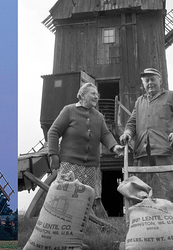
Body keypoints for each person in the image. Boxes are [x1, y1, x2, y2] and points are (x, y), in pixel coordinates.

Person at [120, 67, 173, 225]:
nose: (150, 83)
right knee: (141, 194)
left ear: (160, 80)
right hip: (142, 154)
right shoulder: (140, 101)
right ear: (143, 84)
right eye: (146, 80)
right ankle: (145, 228)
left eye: (153, 79)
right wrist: (127, 133)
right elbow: (132, 123)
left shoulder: (172, 97)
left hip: (166, 152)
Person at [48, 82, 124, 218]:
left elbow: (105, 134)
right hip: (70, 165)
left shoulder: (99, 116)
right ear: (82, 95)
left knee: (87, 200)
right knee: (65, 197)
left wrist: (114, 146)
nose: (96, 97)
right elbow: (53, 131)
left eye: (97, 95)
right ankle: (60, 225)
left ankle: (84, 227)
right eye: (93, 93)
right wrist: (53, 154)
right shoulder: (69, 110)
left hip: (91, 167)